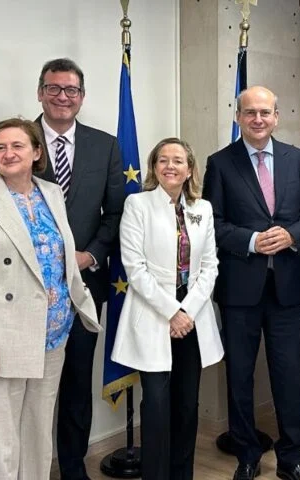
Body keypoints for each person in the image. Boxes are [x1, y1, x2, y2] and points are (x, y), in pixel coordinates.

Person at [0, 118, 101, 479]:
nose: (8, 153)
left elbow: (61, 256)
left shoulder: (51, 192)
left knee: (37, 436)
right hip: (0, 338)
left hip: (53, 335)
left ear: (36, 152)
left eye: (17, 146)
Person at [203, 86, 300, 480]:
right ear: (238, 116)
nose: (258, 119)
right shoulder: (220, 163)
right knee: (239, 375)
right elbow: (212, 224)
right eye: (250, 112)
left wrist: (291, 235)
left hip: (287, 288)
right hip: (240, 289)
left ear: (276, 117)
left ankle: (291, 458)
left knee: (288, 375)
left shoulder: (297, 160)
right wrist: (252, 241)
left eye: (265, 112)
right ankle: (247, 454)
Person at [34, 57, 125, 480]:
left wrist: (91, 254)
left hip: (83, 288)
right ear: (41, 93)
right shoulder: (19, 139)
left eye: (71, 90)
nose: (62, 96)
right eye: (54, 88)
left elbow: (116, 212)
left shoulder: (104, 145)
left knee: (75, 384)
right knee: (31, 390)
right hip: (29, 288)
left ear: (82, 97)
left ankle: (73, 469)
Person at [111, 138, 223, 480]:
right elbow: (135, 268)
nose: (170, 166)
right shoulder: (137, 204)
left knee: (187, 405)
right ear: (154, 167)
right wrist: (172, 313)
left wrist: (186, 311)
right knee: (157, 406)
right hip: (154, 313)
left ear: (189, 169)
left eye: (177, 160)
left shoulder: (203, 208)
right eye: (163, 160)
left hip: (192, 316)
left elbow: (210, 266)